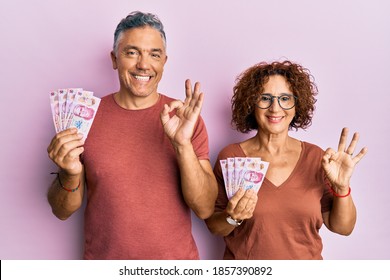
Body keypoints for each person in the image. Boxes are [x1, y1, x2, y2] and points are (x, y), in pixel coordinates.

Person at [47, 11, 217, 260]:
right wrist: (69, 173)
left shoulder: (184, 119)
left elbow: (204, 208)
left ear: (164, 62)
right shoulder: (83, 118)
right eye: (132, 52)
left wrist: (182, 145)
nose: (144, 64)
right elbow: (62, 210)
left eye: (154, 54)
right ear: (115, 59)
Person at [205, 60, 368, 259]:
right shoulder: (231, 157)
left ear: (297, 104)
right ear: (251, 104)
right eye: (265, 98)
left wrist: (342, 188)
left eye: (285, 98)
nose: (275, 108)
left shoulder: (316, 158)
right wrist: (232, 218)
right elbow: (214, 227)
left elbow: (343, 228)